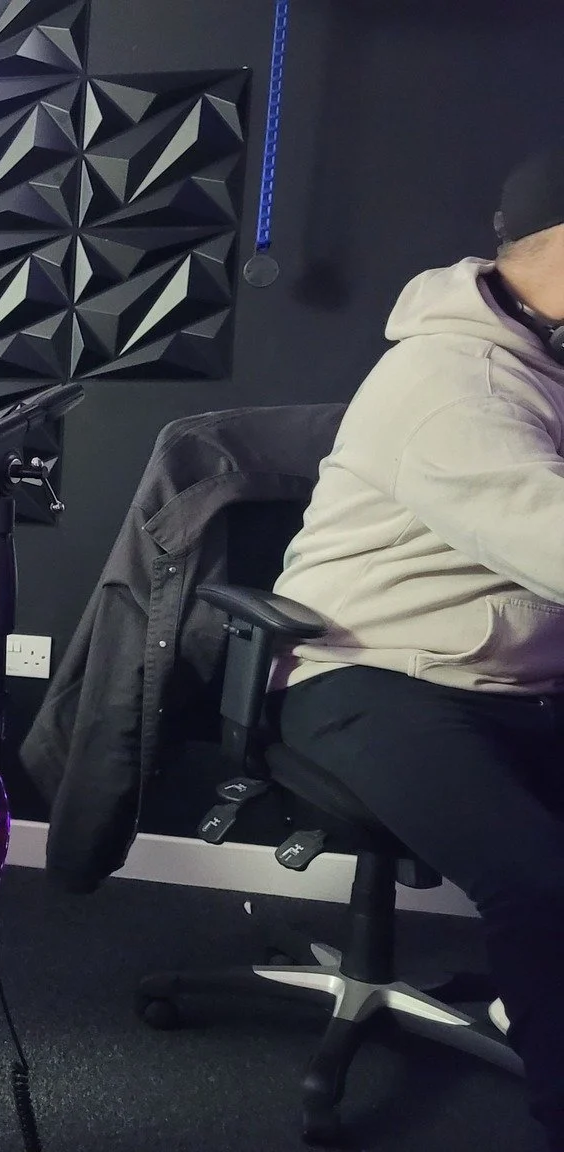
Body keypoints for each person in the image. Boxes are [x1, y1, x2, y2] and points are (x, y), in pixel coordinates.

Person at [270, 144, 564, 1149]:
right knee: (540, 882)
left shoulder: (541, 358)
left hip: (512, 676)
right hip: (371, 676)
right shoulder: (452, 383)